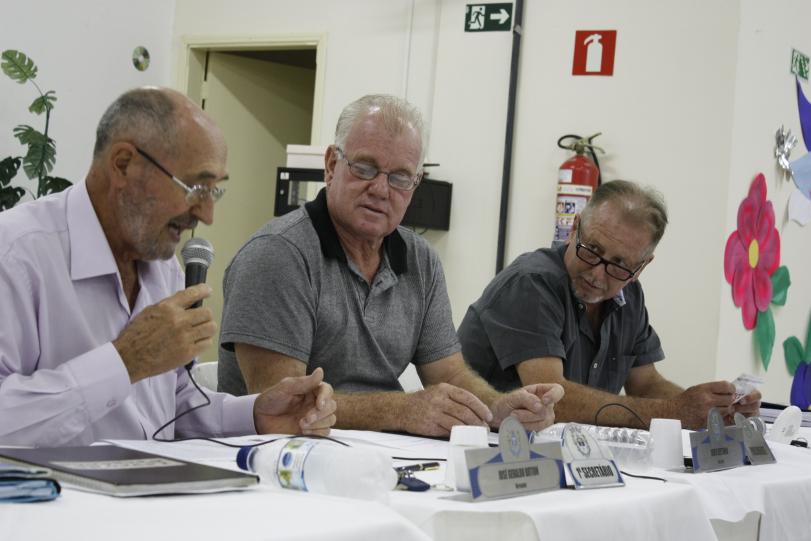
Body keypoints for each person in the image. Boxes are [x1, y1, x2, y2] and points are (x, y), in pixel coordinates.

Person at [0, 87, 336, 447]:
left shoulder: (163, 266)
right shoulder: (16, 255)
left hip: (151, 478)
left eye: (214, 191)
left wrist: (254, 415)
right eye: (195, 187)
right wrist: (125, 362)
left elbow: (171, 407)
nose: (206, 214)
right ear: (123, 164)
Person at [217, 94, 563, 437]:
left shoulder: (421, 260)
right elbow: (284, 403)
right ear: (332, 165)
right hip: (275, 457)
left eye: (400, 177)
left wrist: (497, 408)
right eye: (365, 168)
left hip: (383, 455)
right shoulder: (277, 255)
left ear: (415, 184)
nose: (381, 189)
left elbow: (451, 375)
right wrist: (402, 409)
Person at [458, 180, 761, 430]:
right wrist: (675, 413)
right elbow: (552, 399)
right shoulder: (531, 283)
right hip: (479, 448)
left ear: (642, 267)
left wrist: (712, 410)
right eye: (592, 249)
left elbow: (646, 384)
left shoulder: (630, 296)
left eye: (619, 265)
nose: (597, 274)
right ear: (574, 228)